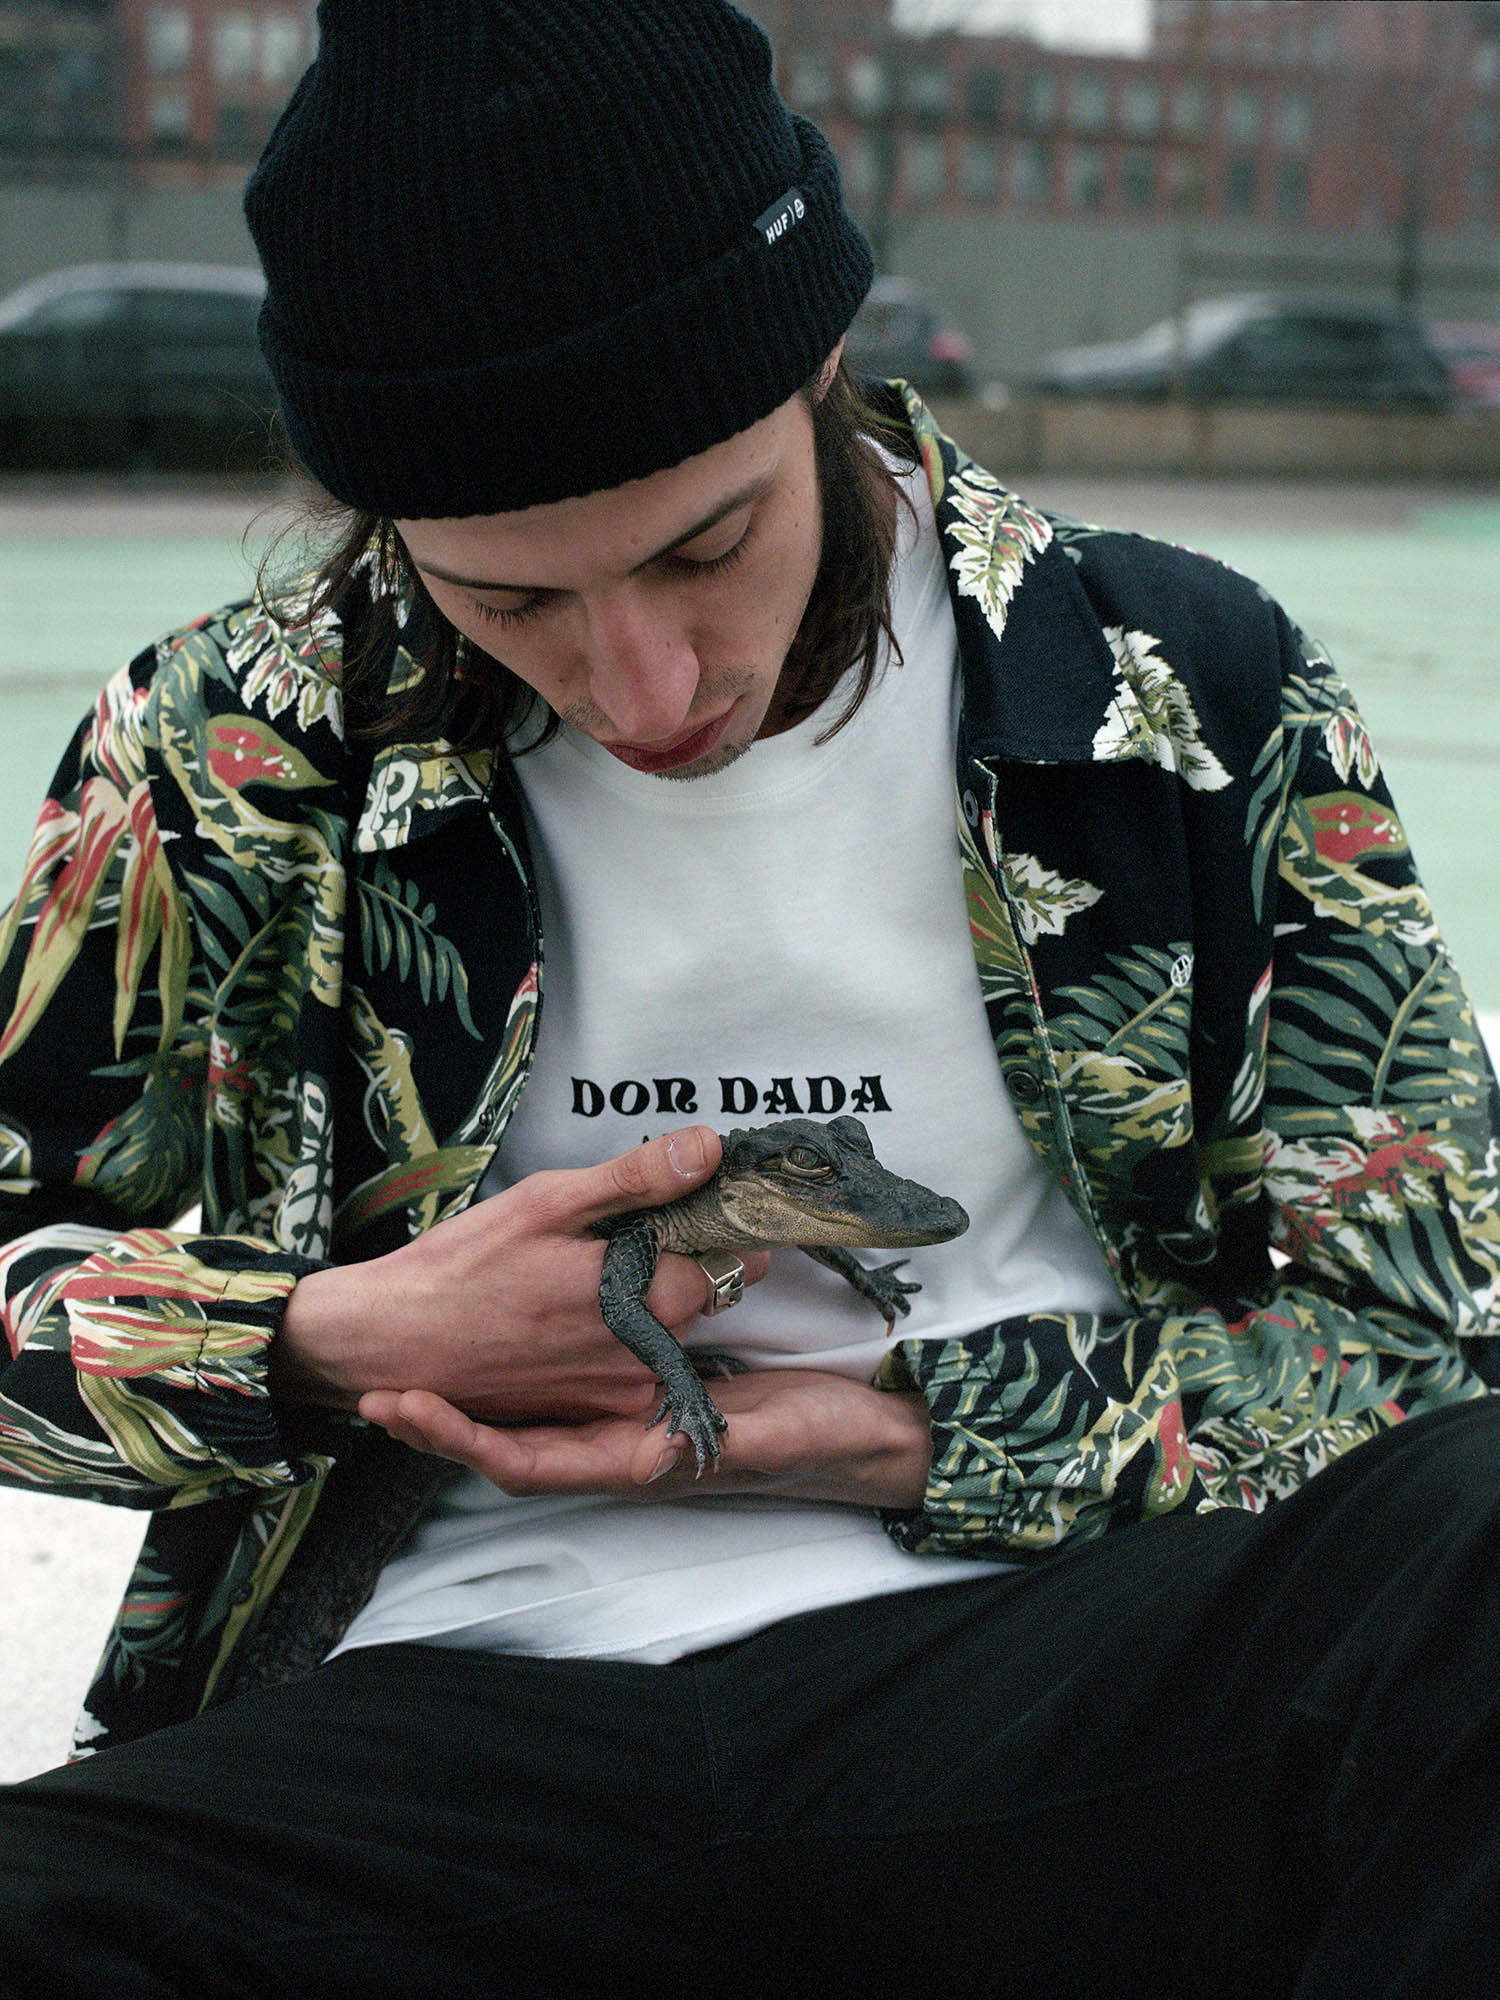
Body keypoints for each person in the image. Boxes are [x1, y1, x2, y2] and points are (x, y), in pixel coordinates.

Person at [1, 2, 1498, 1994]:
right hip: (445, 1718)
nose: (643, 686)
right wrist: (334, 1342)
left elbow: (1416, 1342)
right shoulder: (226, 745)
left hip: (1066, 1669)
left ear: (818, 365)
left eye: (707, 547)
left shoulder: (1181, 684)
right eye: (508, 600)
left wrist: (896, 1430)